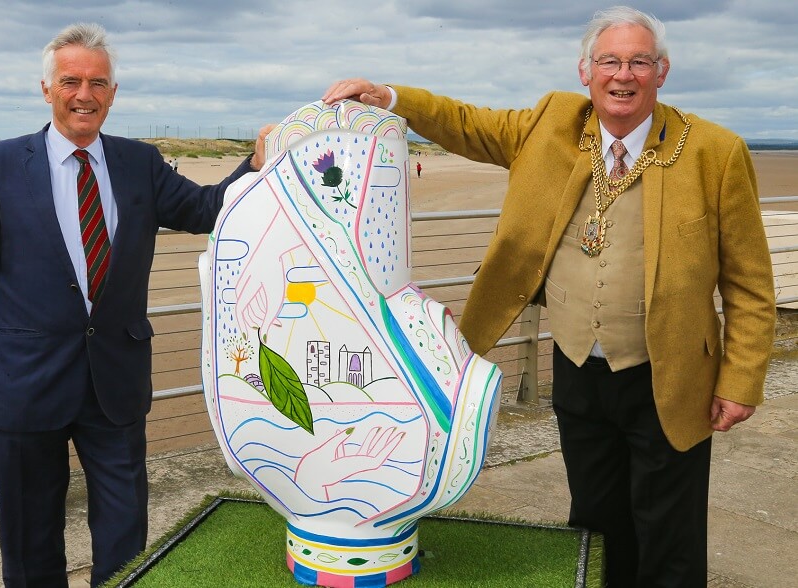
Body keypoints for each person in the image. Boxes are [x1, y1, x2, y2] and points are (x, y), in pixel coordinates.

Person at [323, 6, 775, 587]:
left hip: (672, 374)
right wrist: (390, 96)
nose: (623, 74)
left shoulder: (714, 151)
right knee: (593, 517)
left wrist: (740, 381)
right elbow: (465, 121)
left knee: (670, 532)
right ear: (584, 71)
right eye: (609, 60)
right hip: (578, 367)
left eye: (640, 61)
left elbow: (750, 283)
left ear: (662, 73)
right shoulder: (551, 123)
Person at [0, 23, 270, 587]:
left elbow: (205, 210)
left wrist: (255, 163)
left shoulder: (138, 162)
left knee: (125, 531)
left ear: (113, 94)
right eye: (71, 81)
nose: (85, 94)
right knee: (28, 537)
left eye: (98, 83)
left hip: (115, 382)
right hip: (23, 385)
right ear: (47, 89)